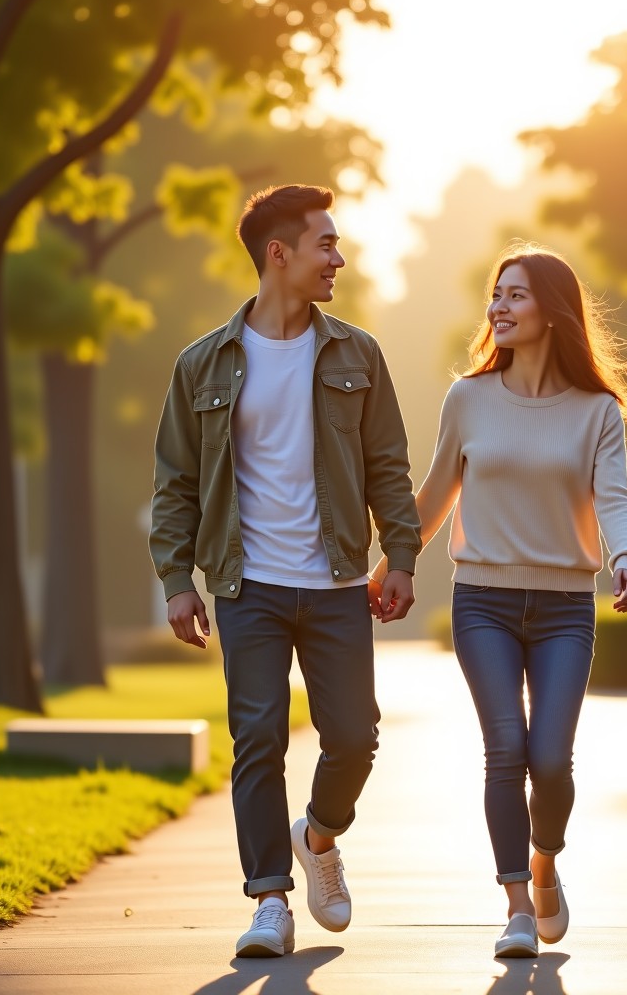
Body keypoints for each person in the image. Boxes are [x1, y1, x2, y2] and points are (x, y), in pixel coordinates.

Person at [150, 184, 421, 958]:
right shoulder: (202, 364)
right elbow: (174, 481)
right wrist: (177, 578)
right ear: (280, 254)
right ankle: (270, 898)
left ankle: (320, 835)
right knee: (257, 736)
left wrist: (398, 555)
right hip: (249, 585)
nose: (338, 258)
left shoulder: (356, 353)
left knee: (355, 739)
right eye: (325, 244)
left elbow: (387, 467)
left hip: (338, 583)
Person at [370, 241, 627, 958]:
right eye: (496, 294)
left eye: (515, 294)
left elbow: (613, 498)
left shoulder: (596, 411)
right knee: (505, 750)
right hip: (483, 602)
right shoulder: (468, 397)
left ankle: (546, 860)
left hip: (563, 609)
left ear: (552, 311)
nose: (499, 306)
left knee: (551, 759)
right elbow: (434, 494)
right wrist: (396, 563)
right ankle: (517, 905)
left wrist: (625, 554)